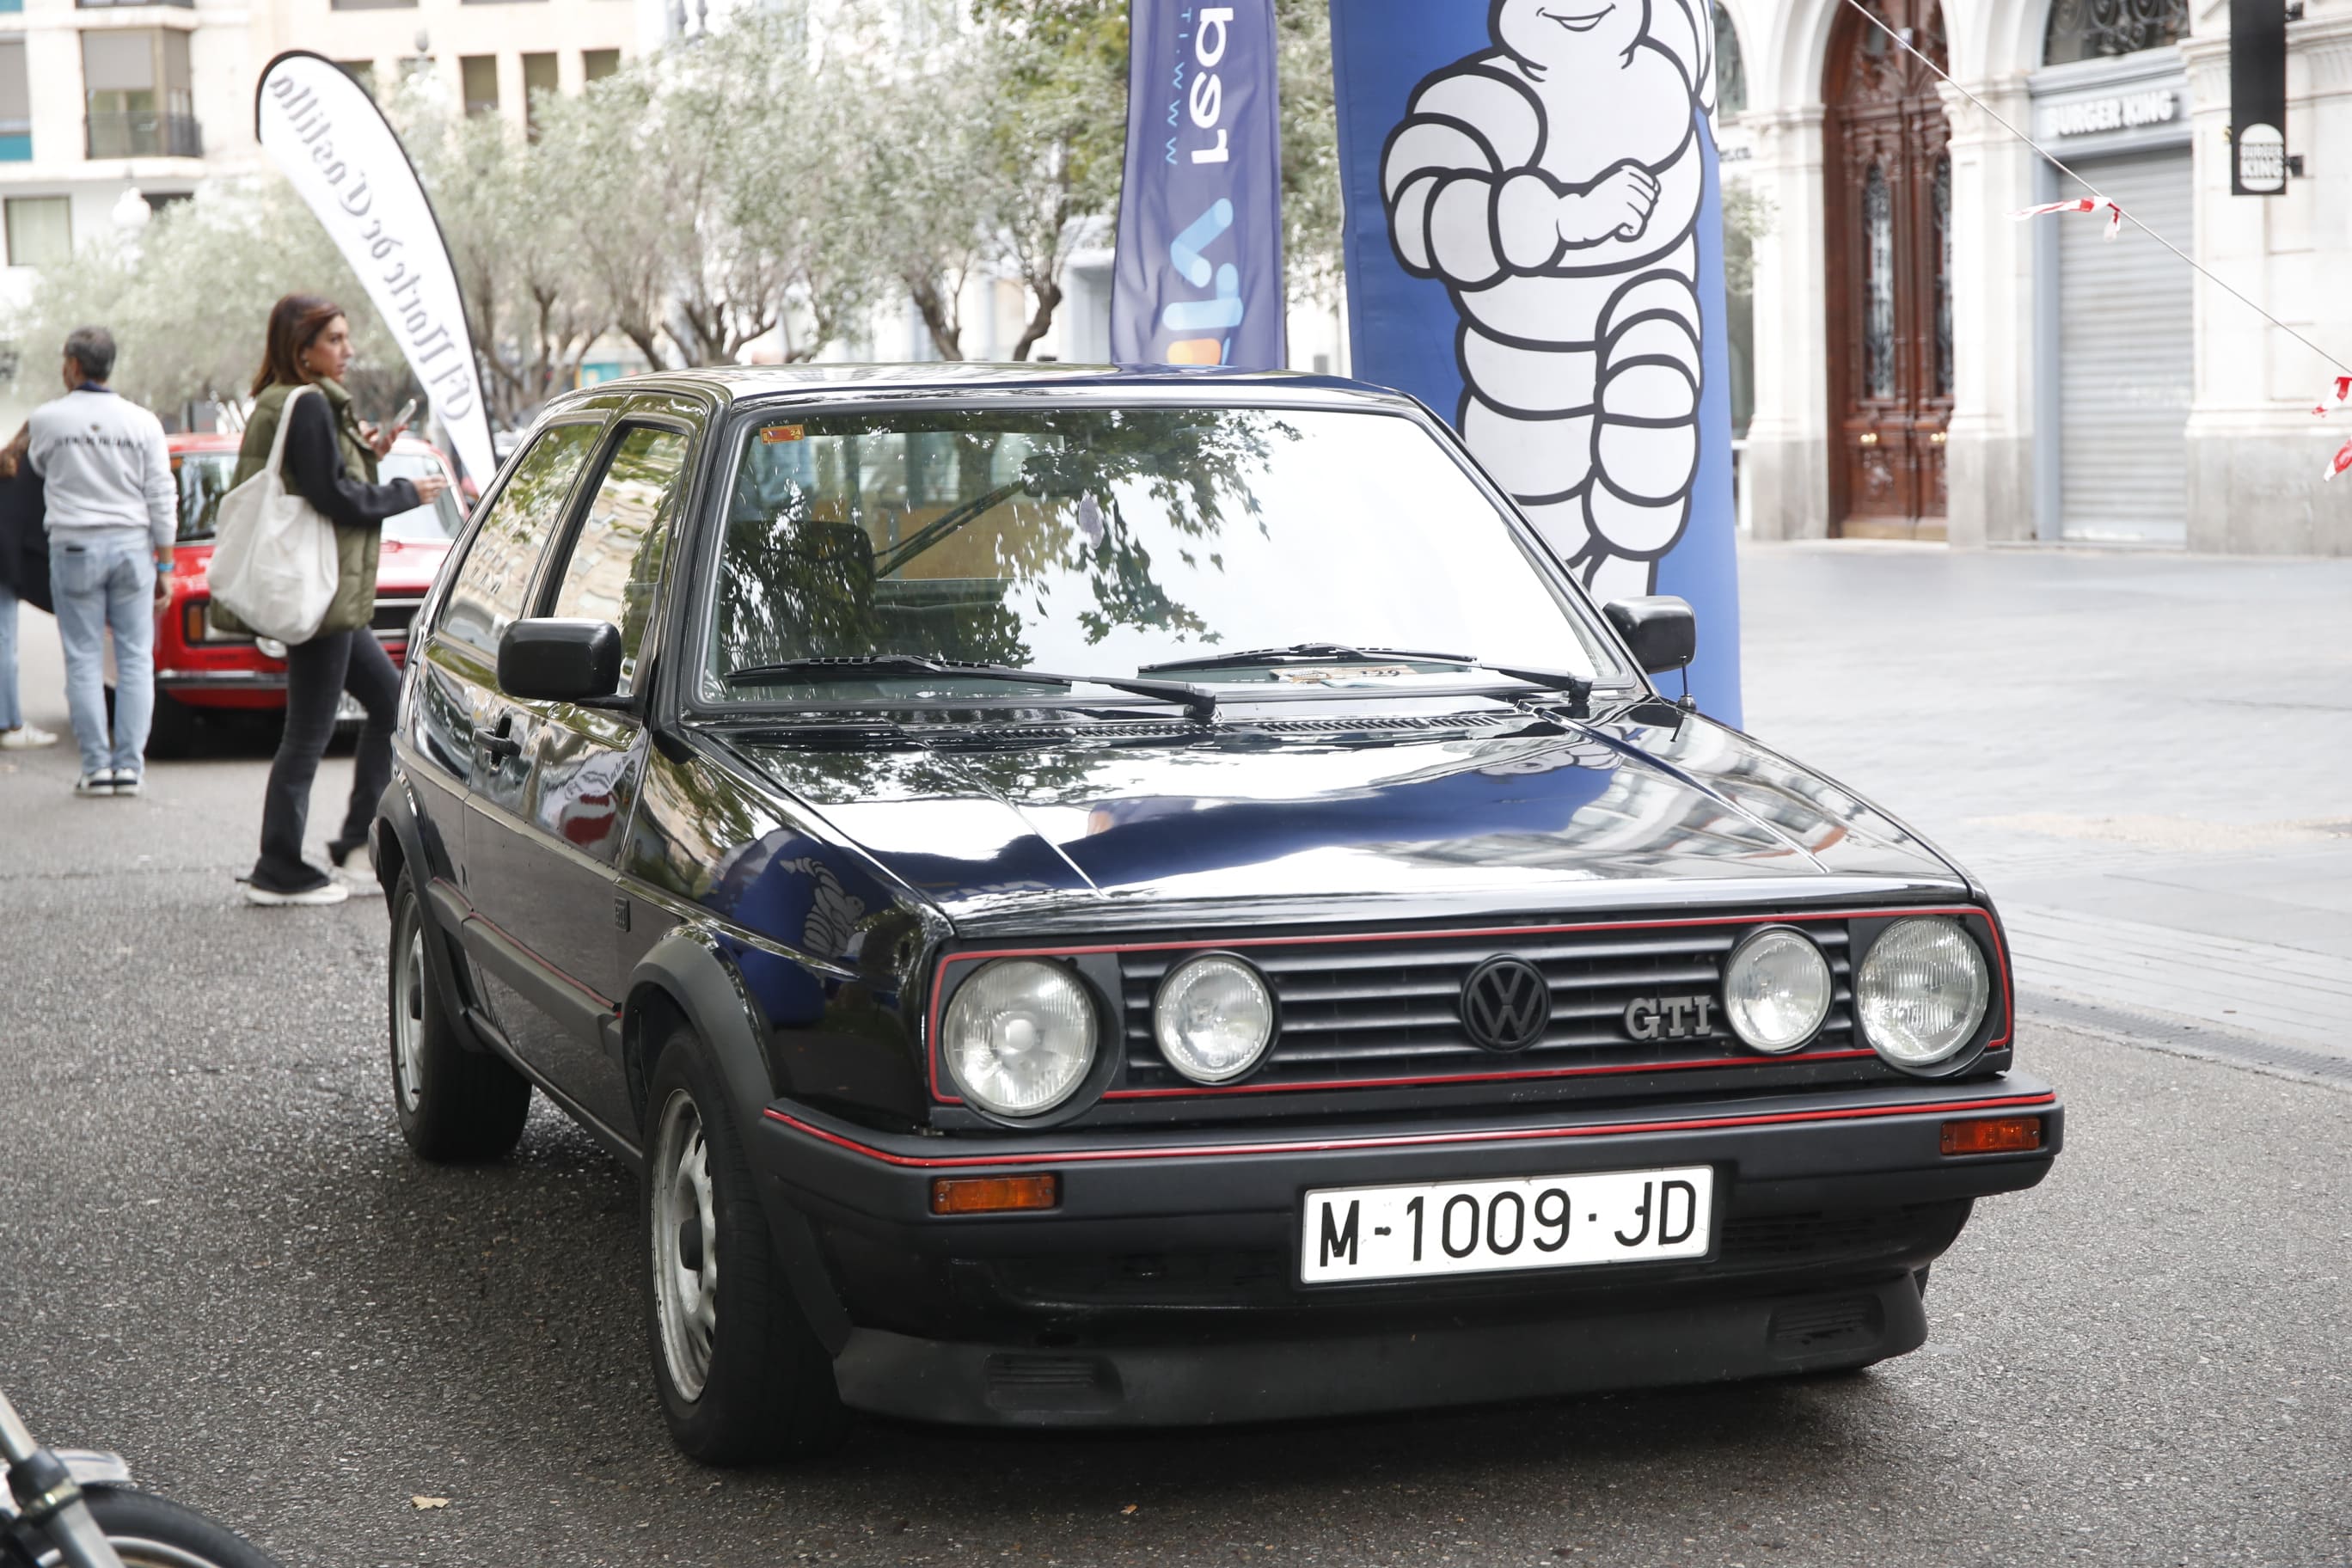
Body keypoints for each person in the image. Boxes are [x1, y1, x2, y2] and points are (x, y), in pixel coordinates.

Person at [235, 294, 448, 908]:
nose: (348, 351)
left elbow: (319, 479)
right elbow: (332, 497)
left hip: (330, 595)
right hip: (323, 594)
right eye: (334, 340)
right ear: (301, 351)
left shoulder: (292, 401)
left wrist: (370, 454)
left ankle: (356, 842)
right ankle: (279, 866)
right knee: (308, 732)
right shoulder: (306, 405)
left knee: (388, 703)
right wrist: (407, 490)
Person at [20, 328, 175, 794]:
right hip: (132, 548)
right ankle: (129, 766)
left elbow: (41, 466)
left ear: (72, 365)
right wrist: (164, 565)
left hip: (74, 548)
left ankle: (96, 768)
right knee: (134, 659)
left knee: (84, 659)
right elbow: (161, 495)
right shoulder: (143, 422)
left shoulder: (48, 419)